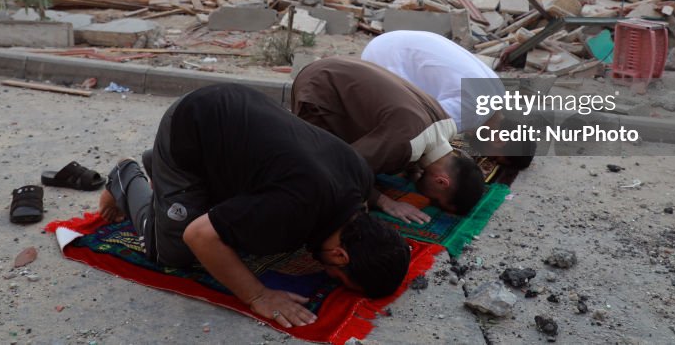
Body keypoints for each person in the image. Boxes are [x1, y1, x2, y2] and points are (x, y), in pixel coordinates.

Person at [98, 84, 410, 328]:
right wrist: (258, 295)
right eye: (337, 276)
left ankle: (162, 169)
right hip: (191, 124)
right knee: (171, 252)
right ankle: (126, 176)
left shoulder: (358, 178)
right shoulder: (294, 207)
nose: (326, 273)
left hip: (236, 117)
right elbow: (199, 235)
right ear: (341, 254)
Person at [291, 57, 486, 224]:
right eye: (434, 200)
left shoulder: (445, 123)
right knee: (320, 171)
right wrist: (386, 202)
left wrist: (411, 168)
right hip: (319, 87)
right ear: (442, 182)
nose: (427, 200)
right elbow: (345, 168)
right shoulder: (406, 143)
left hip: (338, 67)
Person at [361, 31, 534, 170]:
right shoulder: (470, 113)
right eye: (493, 156)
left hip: (395, 40)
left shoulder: (498, 92)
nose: (485, 157)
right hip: (382, 60)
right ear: (498, 140)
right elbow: (419, 131)